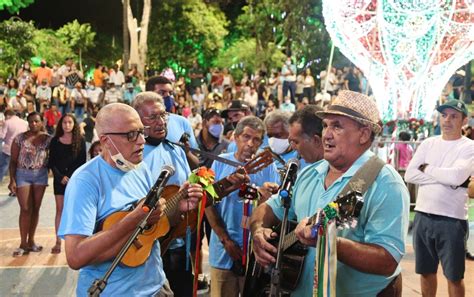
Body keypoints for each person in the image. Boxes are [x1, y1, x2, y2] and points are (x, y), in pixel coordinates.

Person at [250, 90, 410, 296]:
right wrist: (258, 231)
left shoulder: (385, 183)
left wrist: (328, 242)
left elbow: (388, 260)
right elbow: (268, 208)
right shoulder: (308, 173)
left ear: (364, 134)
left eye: (337, 126)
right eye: (325, 125)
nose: (326, 134)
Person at [58, 103, 202, 296]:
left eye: (142, 132)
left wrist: (178, 207)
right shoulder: (85, 181)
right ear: (106, 141)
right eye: (131, 134)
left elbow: (152, 229)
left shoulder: (139, 167)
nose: (142, 140)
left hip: (157, 287)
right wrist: (135, 217)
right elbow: (76, 256)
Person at [133, 92, 202, 296]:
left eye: (163, 115)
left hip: (180, 244)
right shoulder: (134, 155)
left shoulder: (176, 149)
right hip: (148, 248)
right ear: (137, 120)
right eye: (153, 117)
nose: (161, 122)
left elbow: (187, 193)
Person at [405, 99, 473, 297]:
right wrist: (445, 178)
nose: (447, 120)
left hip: (452, 218)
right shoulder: (428, 143)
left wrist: (427, 169)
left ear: (464, 120)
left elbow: (456, 177)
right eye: (444, 115)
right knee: (425, 271)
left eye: (454, 116)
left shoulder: (469, 147)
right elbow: (410, 175)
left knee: (454, 276)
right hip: (423, 215)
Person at [205, 116, 280, 297]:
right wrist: (226, 240)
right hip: (223, 251)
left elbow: (275, 208)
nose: (250, 144)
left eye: (256, 140)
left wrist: (265, 196)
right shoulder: (220, 162)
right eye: (246, 137)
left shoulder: (268, 167)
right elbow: (207, 204)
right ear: (236, 137)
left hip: (256, 254)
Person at [9, 112, 52, 257]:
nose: (33, 124)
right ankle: (23, 243)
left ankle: (32, 241)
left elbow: (56, 156)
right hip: (23, 174)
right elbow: (13, 161)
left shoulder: (48, 139)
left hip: (40, 174)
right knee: (25, 208)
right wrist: (12, 180)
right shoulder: (20, 139)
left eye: (36, 121)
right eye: (31, 122)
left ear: (41, 122)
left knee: (36, 208)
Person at [48, 114, 87, 254]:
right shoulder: (55, 141)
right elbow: (51, 162)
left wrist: (72, 177)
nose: (67, 125)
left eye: (70, 122)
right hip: (60, 181)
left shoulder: (80, 141)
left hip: (75, 180)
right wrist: (60, 177)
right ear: (61, 124)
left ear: (74, 124)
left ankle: (76, 242)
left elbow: (82, 162)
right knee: (60, 209)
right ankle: (58, 241)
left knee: (75, 210)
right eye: (64, 122)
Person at [0, 110, 28, 184]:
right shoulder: (24, 122)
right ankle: (18, 184)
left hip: (8, 148)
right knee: (19, 169)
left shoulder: (7, 122)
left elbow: (2, 136)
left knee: (3, 167)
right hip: (21, 148)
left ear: (7, 115)